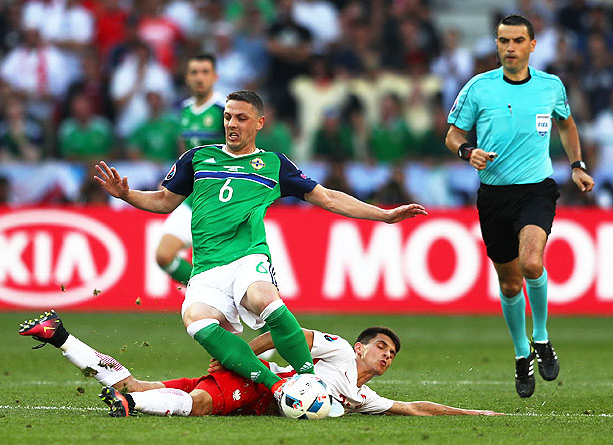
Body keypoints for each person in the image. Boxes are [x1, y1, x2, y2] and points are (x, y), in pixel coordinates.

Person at [94, 90, 427, 400]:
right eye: (227, 117)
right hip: (207, 266)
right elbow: (165, 201)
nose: (231, 124)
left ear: (259, 123)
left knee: (263, 297)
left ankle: (308, 379)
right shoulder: (197, 158)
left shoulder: (273, 164)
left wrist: (382, 215)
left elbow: (328, 198)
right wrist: (127, 195)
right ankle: (279, 387)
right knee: (196, 319)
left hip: (247, 256)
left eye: (240, 118)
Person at [445, 15, 595, 399]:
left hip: (536, 190)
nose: (509, 48)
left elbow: (568, 124)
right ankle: (521, 352)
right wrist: (468, 151)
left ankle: (542, 338)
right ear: (496, 45)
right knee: (510, 283)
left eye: (517, 41)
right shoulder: (479, 88)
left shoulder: (550, 86)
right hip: (494, 196)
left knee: (532, 263)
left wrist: (577, 166)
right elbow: (453, 135)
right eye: (502, 41)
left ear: (532, 45)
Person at [18, 310, 500, 417]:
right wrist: (245, 351)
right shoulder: (334, 350)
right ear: (359, 347)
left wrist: (477, 414)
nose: (386, 356)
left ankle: (61, 337)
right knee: (201, 405)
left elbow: (414, 408)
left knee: (144, 383)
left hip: (258, 392)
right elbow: (293, 333)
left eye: (391, 355)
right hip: (259, 382)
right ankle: (128, 407)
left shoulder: (363, 396)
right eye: (380, 347)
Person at [155, 54, 225, 286]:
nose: (199, 77)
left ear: (215, 76)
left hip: (219, 199)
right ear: (186, 77)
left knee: (222, 271)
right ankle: (198, 288)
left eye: (205, 72)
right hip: (192, 197)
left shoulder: (223, 111)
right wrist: (172, 180)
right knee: (164, 255)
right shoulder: (184, 111)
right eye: (194, 72)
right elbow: (185, 154)